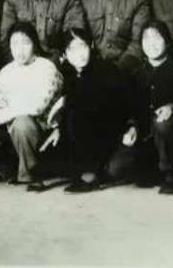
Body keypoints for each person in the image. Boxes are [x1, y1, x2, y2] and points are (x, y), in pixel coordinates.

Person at [106, 21, 173, 195]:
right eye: (146, 38)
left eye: (156, 38)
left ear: (166, 41)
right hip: (147, 139)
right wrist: (132, 126)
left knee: (164, 122)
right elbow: (131, 109)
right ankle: (155, 169)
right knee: (116, 168)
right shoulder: (137, 74)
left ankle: (171, 175)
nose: (151, 43)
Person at [0, 22, 63, 191]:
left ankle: (30, 175)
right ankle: (11, 173)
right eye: (15, 43)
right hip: (11, 131)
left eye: (25, 43)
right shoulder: (5, 72)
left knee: (22, 123)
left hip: (41, 130)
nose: (20, 49)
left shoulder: (46, 67)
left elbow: (36, 107)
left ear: (34, 44)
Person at [50, 27, 133, 193]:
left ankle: (91, 173)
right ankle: (86, 170)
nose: (79, 53)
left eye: (83, 46)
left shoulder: (107, 70)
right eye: (72, 49)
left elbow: (117, 112)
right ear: (65, 54)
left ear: (91, 46)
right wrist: (57, 127)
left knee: (115, 168)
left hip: (111, 134)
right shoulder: (68, 75)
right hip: (85, 137)